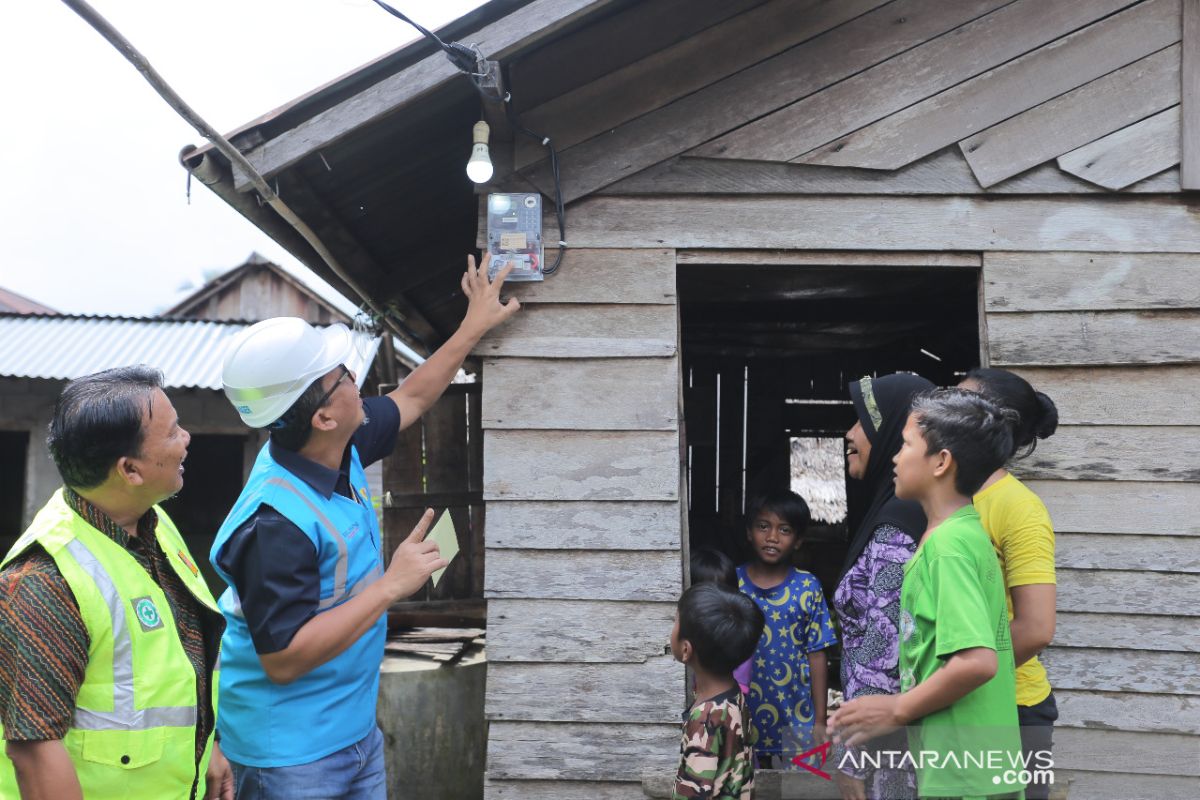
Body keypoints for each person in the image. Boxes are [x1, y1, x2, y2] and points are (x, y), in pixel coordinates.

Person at [209, 257, 518, 799]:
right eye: (342, 377)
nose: (356, 379)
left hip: (350, 731)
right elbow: (284, 659)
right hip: (289, 753)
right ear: (323, 416)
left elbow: (413, 397)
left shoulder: (336, 444)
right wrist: (392, 587)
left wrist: (473, 324)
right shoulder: (273, 524)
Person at [0, 367, 232, 800]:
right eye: (173, 432)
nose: (187, 439)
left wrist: (206, 749)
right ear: (130, 470)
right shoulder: (43, 582)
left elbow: (178, 663)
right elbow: (34, 752)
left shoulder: (155, 524)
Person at [829, 389, 1025, 799]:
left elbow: (976, 662)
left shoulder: (946, 550)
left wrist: (896, 709)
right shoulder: (964, 535)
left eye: (905, 444)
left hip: (962, 772)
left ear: (941, 462)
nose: (896, 457)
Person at [832, 373, 933, 800]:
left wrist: (851, 757)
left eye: (860, 421)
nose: (849, 434)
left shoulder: (897, 528)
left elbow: (884, 647)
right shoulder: (894, 511)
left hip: (887, 749)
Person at [960, 368, 1059, 800]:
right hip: (966, 703)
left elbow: (1036, 627)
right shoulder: (952, 495)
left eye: (958, 403)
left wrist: (957, 679)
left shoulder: (1019, 508)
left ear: (991, 423)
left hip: (1014, 708)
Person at [736, 491, 838, 767]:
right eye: (763, 526)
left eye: (784, 530)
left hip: (796, 718)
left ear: (799, 540)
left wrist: (819, 721)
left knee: (795, 788)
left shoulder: (807, 587)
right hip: (741, 718)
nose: (772, 537)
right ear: (749, 532)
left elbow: (817, 654)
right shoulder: (733, 584)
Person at [669, 582, 764, 800]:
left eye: (675, 621)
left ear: (686, 649)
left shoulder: (705, 718)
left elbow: (693, 794)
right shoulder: (733, 695)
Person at [691, 548, 751, 696]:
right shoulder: (687, 628)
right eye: (707, 595)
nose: (715, 604)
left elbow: (738, 688)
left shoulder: (738, 636)